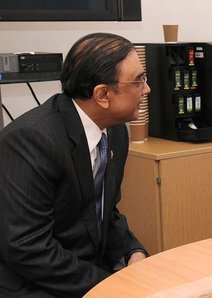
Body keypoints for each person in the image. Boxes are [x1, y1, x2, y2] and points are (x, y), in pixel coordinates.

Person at [0, 32, 149, 297]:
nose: (146, 89)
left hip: (85, 270)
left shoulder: (115, 133)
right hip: (34, 284)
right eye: (138, 81)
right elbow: (28, 247)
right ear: (103, 94)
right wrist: (109, 286)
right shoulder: (31, 140)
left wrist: (132, 251)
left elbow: (105, 211)